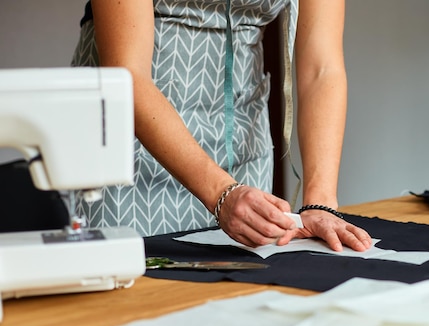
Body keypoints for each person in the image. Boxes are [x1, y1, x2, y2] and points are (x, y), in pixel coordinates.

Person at [71, 0, 372, 252]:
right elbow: (129, 75)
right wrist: (221, 193)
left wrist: (320, 202)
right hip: (131, 146)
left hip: (243, 147)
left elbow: (322, 68)